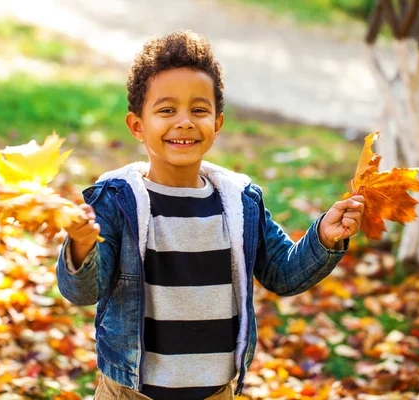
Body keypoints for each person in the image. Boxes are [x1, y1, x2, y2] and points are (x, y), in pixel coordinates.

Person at [56, 30, 365, 400]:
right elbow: (83, 291)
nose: (184, 122)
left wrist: (324, 238)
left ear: (217, 123)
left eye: (199, 110)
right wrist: (81, 246)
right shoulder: (118, 202)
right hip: (131, 393)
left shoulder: (239, 202)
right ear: (137, 125)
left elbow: (282, 273)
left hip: (215, 392)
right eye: (167, 110)